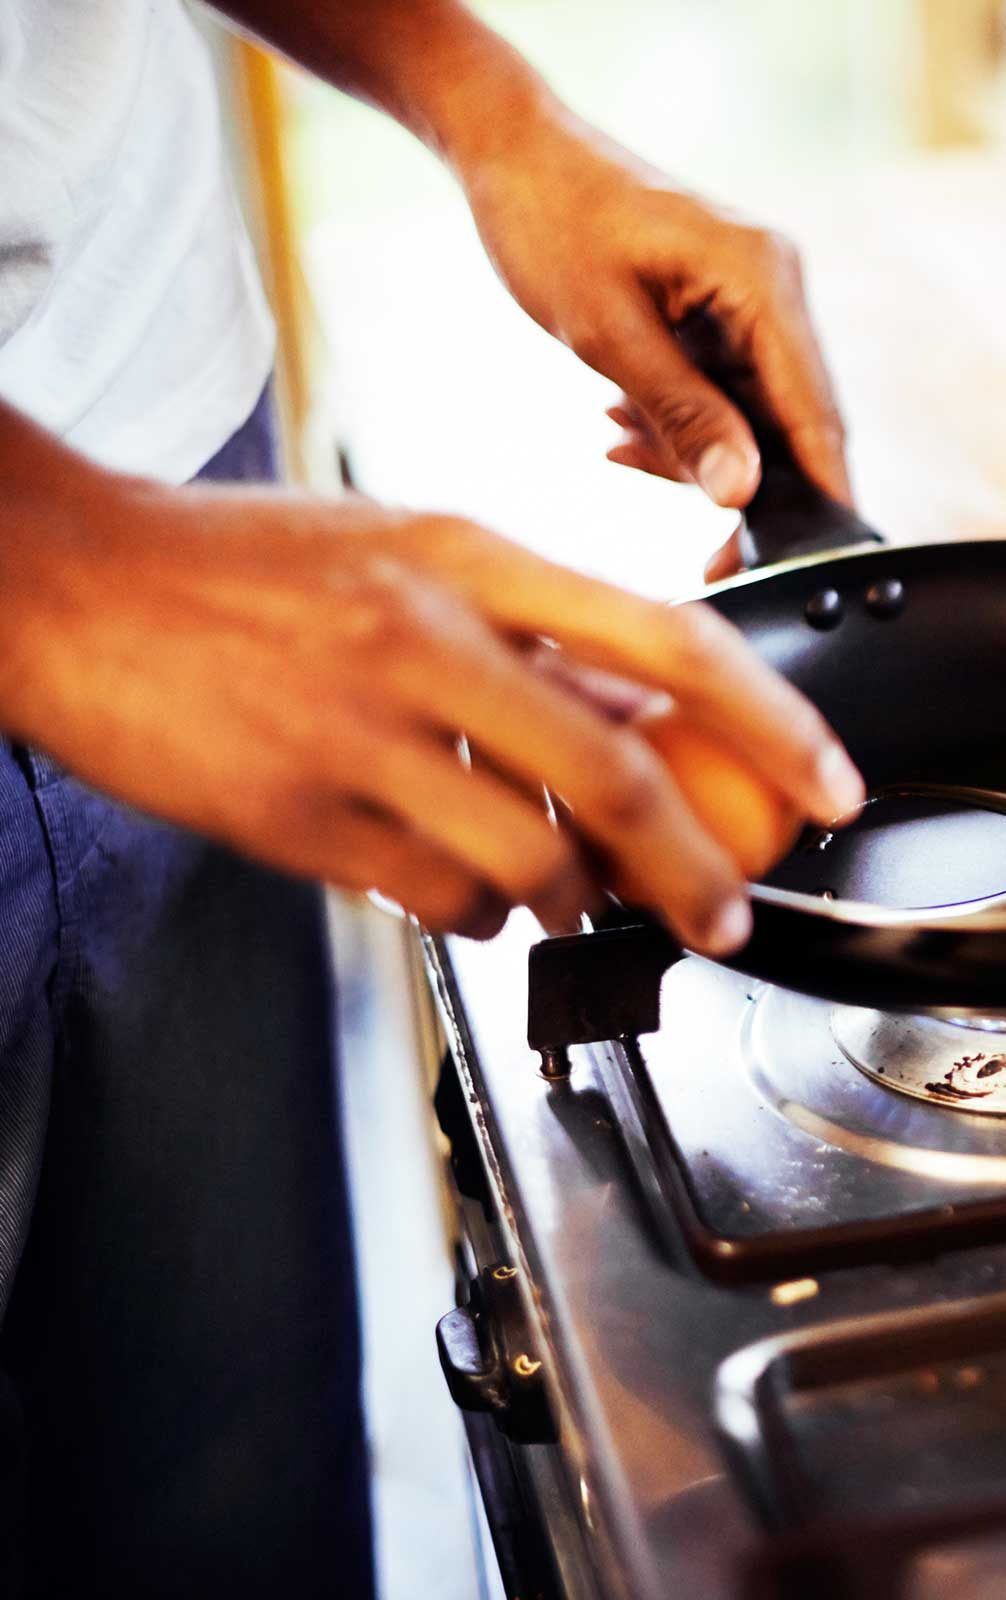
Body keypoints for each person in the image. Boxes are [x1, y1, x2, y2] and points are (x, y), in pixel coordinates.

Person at [0, 1, 864, 1591]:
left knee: (237, 1517)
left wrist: (482, 99)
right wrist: (43, 559)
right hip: (78, 558)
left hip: (184, 470)